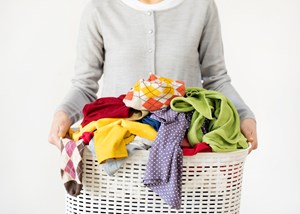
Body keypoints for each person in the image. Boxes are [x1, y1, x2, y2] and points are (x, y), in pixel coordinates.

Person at [48, 0, 258, 153]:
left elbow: (216, 79)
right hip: (117, 153)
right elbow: (84, 85)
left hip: (186, 151)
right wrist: (63, 114)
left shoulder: (201, 6)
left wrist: (243, 115)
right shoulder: (100, 9)